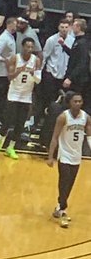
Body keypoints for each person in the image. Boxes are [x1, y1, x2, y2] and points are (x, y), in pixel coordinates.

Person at [48, 91, 90, 228]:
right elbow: (54, 137)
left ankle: (59, 207)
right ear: (69, 102)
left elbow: (89, 137)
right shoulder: (63, 117)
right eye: (75, 101)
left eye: (80, 101)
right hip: (64, 154)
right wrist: (50, 157)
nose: (78, 103)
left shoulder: (86, 118)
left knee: (70, 184)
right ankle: (63, 210)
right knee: (64, 181)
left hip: (76, 156)